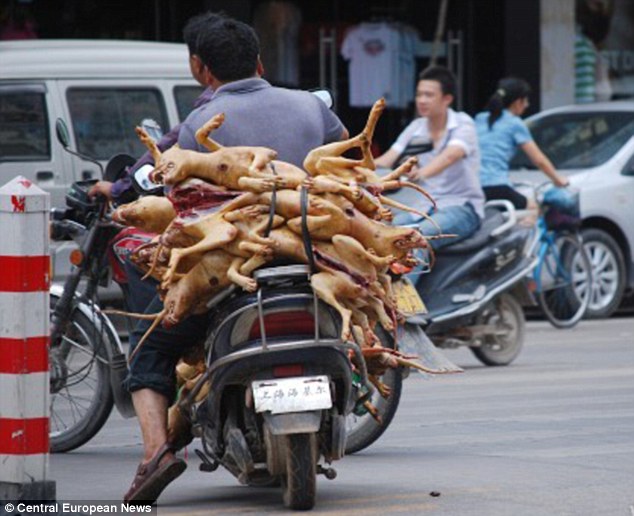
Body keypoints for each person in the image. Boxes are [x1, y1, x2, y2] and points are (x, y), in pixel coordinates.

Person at [121, 12, 347, 504]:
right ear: (260, 62)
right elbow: (348, 174)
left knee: (150, 350)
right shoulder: (311, 105)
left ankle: (156, 452)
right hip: (313, 259)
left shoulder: (200, 122)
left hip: (231, 274)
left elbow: (180, 203)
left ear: (200, 68)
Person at [88, 12, 216, 201]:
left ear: (196, 63)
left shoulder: (206, 112)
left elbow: (164, 149)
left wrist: (118, 189)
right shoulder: (275, 99)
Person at [375, 65, 484, 249]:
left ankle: (407, 279)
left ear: (447, 99)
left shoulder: (463, 124)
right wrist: (348, 171)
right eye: (419, 95)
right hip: (423, 208)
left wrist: (421, 173)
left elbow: (450, 156)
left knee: (414, 238)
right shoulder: (416, 127)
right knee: (379, 231)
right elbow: (387, 159)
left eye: (429, 95)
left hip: (461, 207)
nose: (422, 100)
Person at [475, 77, 568, 210]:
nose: (527, 105)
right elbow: (538, 159)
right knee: (533, 209)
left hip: (473, 189)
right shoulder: (515, 123)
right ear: (518, 102)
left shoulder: (480, 119)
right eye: (526, 101)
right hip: (498, 187)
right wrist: (558, 179)